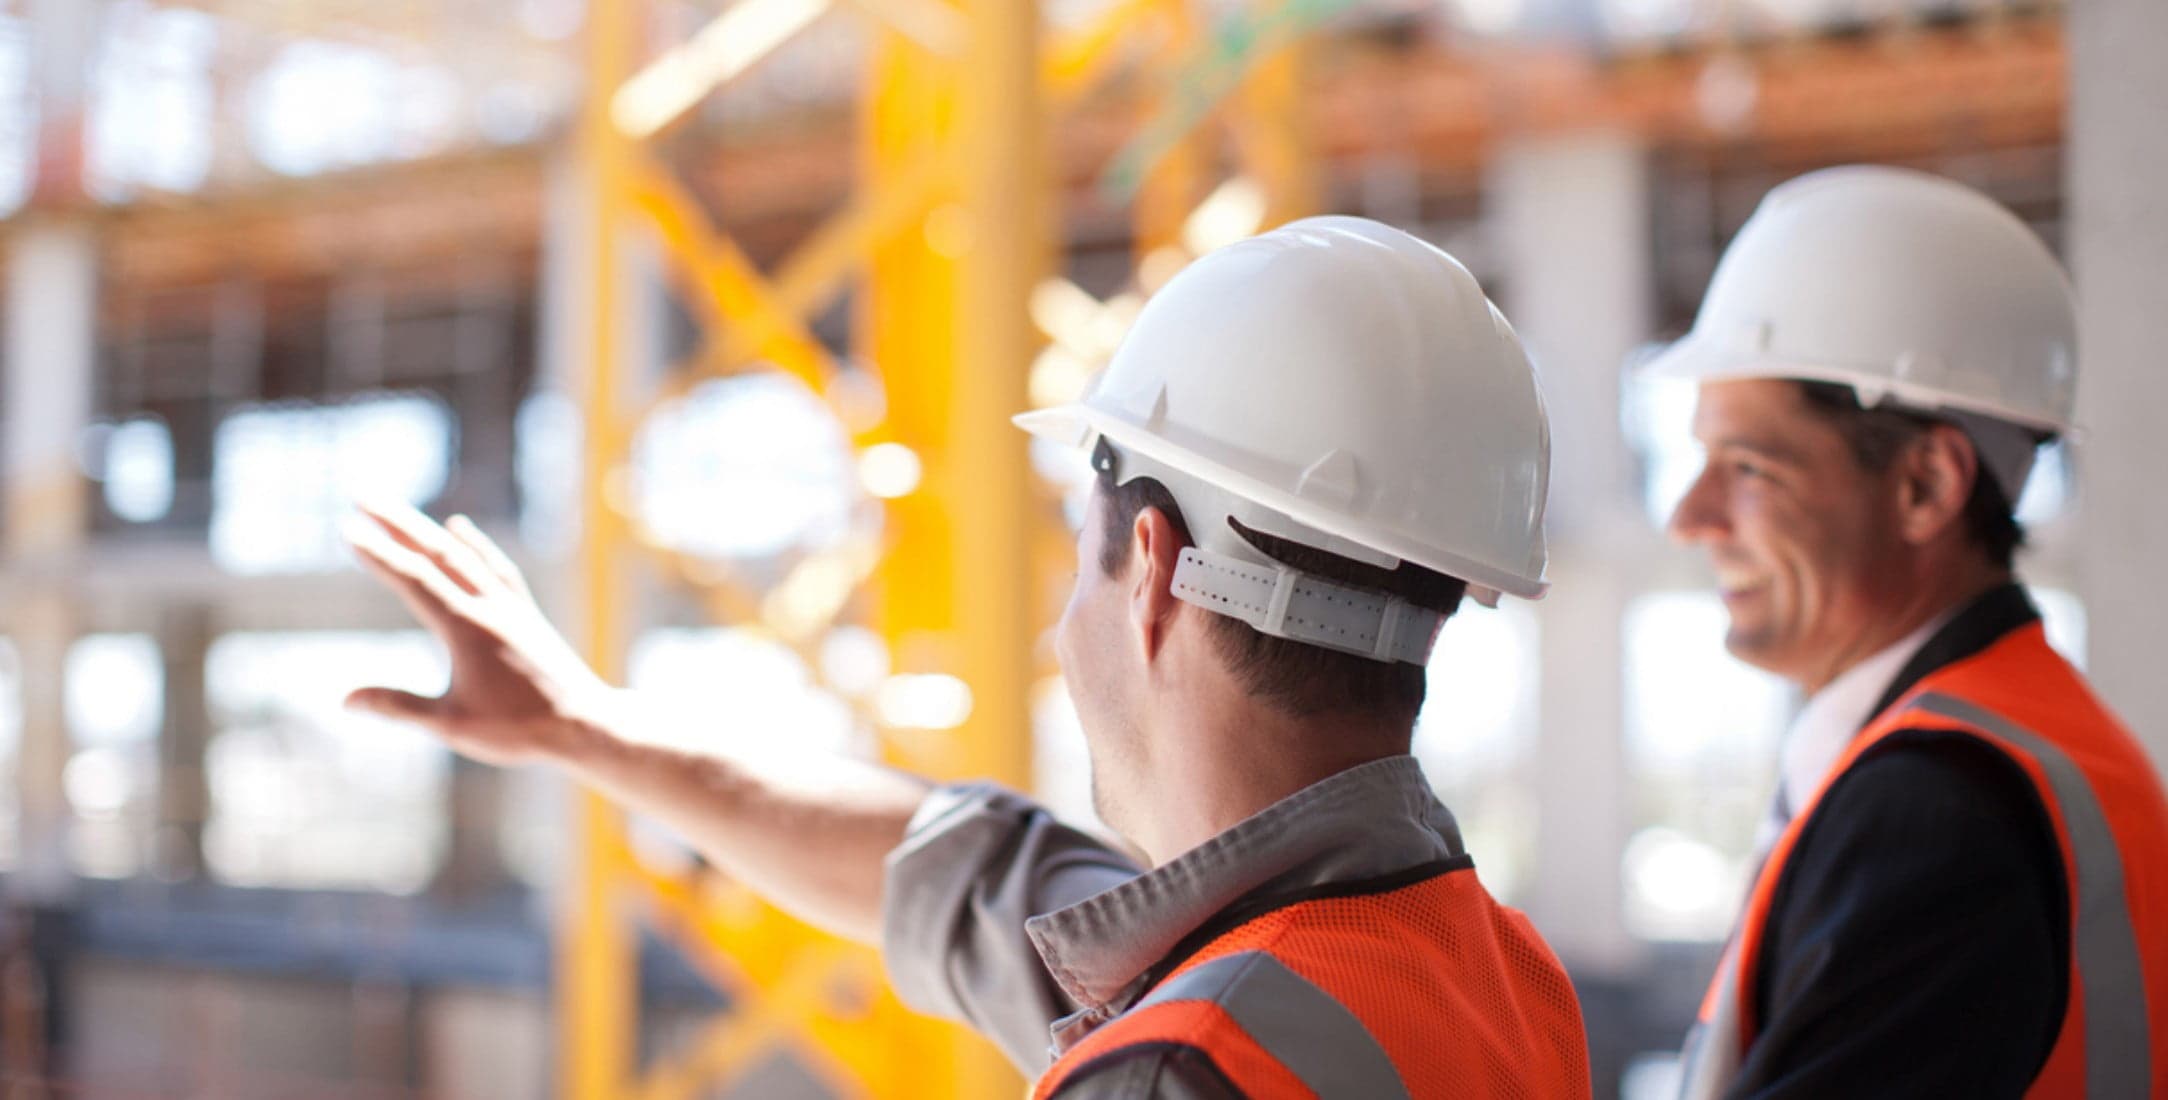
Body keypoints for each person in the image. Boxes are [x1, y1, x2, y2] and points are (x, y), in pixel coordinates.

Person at [345, 216, 1592, 1097]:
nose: (1064, 620)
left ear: (1149, 566)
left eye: (1078, 559)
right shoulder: (1490, 969)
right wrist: (583, 722)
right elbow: (970, 874)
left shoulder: (1184, 1067)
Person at [1645, 166, 2168, 1098]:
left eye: (1748, 465)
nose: (1690, 515)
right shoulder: (2039, 744)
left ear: (1925, 485)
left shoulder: (1936, 814)